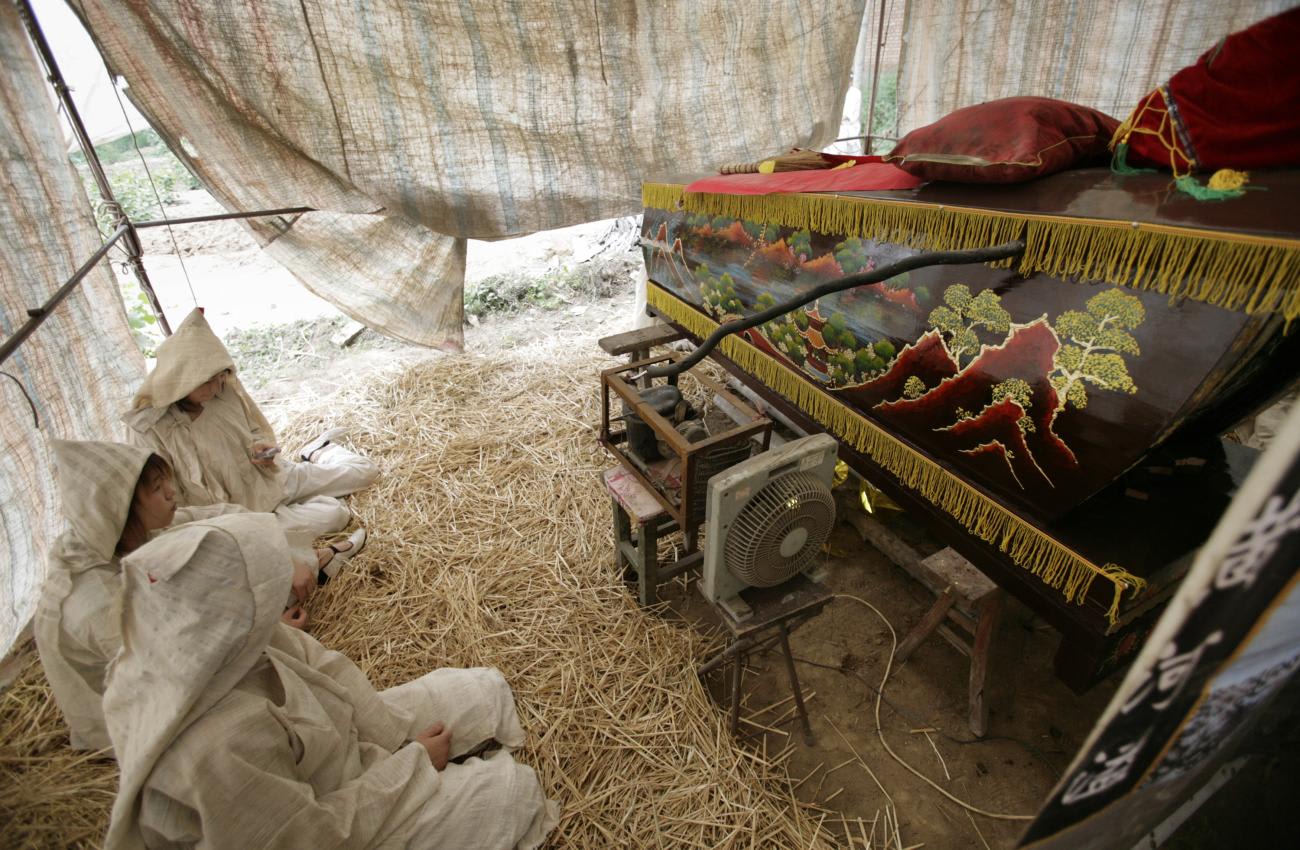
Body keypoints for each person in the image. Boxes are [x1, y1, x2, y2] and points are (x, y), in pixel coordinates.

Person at [103, 512, 559, 849]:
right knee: (510, 794)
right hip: (331, 821)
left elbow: (332, 672)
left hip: (343, 752)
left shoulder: (238, 637)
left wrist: (393, 741)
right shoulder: (215, 747)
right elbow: (309, 837)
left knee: (483, 690)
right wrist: (414, 767)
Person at [33, 440, 348, 752]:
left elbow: (227, 518)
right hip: (143, 717)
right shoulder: (94, 600)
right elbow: (175, 670)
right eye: (158, 488)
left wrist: (279, 553)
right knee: (271, 707)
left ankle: (310, 562)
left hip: (180, 653)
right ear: (122, 506)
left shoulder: (125, 532)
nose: (171, 492)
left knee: (272, 551)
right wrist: (265, 633)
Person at [123, 308, 378, 536]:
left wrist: (260, 446)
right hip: (235, 516)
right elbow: (169, 504)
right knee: (334, 514)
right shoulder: (149, 430)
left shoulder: (223, 392)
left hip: (269, 480)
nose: (216, 387)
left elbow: (254, 430)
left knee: (366, 472)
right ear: (182, 379)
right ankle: (295, 509)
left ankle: (321, 452)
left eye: (220, 377)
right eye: (207, 381)